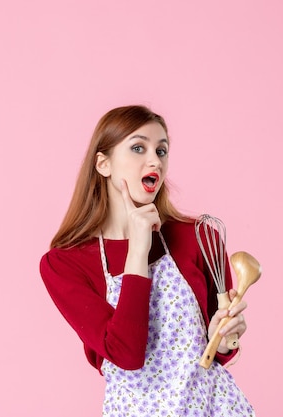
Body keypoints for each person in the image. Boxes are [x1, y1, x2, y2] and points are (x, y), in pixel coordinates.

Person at [39, 105, 254, 416]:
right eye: (138, 148)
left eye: (162, 150)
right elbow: (126, 354)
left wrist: (223, 341)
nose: (155, 160)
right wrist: (138, 249)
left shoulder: (198, 236)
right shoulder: (64, 264)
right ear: (103, 164)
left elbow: (216, 351)